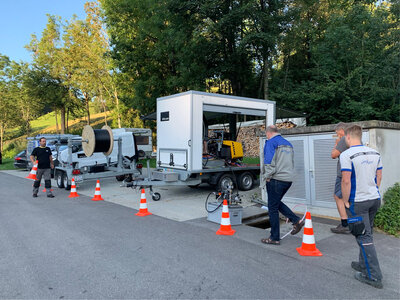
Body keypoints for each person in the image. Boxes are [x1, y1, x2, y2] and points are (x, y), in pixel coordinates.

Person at [340, 125, 383, 289]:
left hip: (358, 202)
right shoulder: (375, 153)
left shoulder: (346, 155)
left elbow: (346, 181)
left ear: (348, 137)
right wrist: (374, 190)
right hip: (374, 199)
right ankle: (362, 264)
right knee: (366, 231)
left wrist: (345, 201)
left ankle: (374, 276)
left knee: (363, 236)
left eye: (344, 137)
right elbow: (379, 175)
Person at [261, 125, 304, 245]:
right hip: (288, 179)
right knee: (276, 203)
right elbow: (291, 162)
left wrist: (267, 176)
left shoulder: (271, 142)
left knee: (273, 208)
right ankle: (296, 221)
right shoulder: (288, 143)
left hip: (276, 179)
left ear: (268, 133)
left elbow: (269, 162)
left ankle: (274, 237)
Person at [330, 122, 350, 234]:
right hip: (352, 173)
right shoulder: (354, 139)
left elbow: (333, 155)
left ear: (341, 130)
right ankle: (351, 223)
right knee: (348, 198)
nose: (337, 134)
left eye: (337, 132)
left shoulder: (342, 140)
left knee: (338, 196)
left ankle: (344, 223)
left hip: (342, 174)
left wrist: (336, 144)